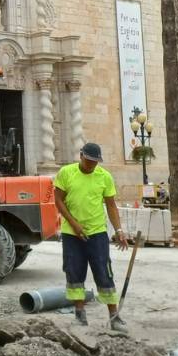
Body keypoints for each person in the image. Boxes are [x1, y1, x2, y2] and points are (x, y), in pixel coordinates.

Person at [52, 142, 131, 333]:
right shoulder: (66, 173)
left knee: (104, 272)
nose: (92, 165)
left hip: (97, 232)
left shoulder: (104, 177)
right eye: (89, 161)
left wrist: (119, 230)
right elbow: (58, 201)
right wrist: (74, 224)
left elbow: (111, 205)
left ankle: (114, 316)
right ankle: (80, 315)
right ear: (81, 156)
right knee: (74, 273)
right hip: (72, 234)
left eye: (95, 162)